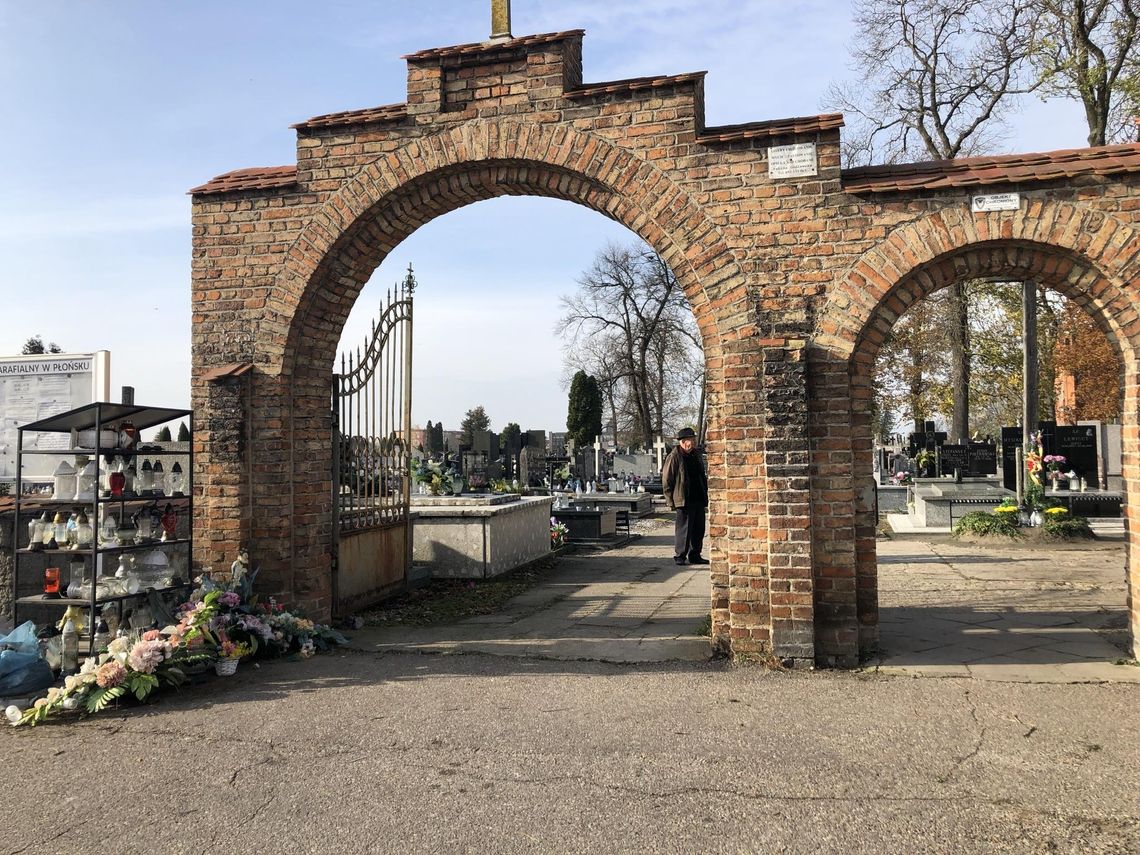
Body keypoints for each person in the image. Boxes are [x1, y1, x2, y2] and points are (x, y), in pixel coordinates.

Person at [661, 427, 709, 566]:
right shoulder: (674, 456)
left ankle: (695, 555)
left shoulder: (696, 454)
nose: (692, 443)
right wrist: (670, 500)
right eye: (690, 440)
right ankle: (680, 555)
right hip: (683, 498)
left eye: (693, 440)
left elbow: (701, 474)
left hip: (698, 496)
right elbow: (667, 479)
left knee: (698, 529)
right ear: (682, 442)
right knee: (684, 529)